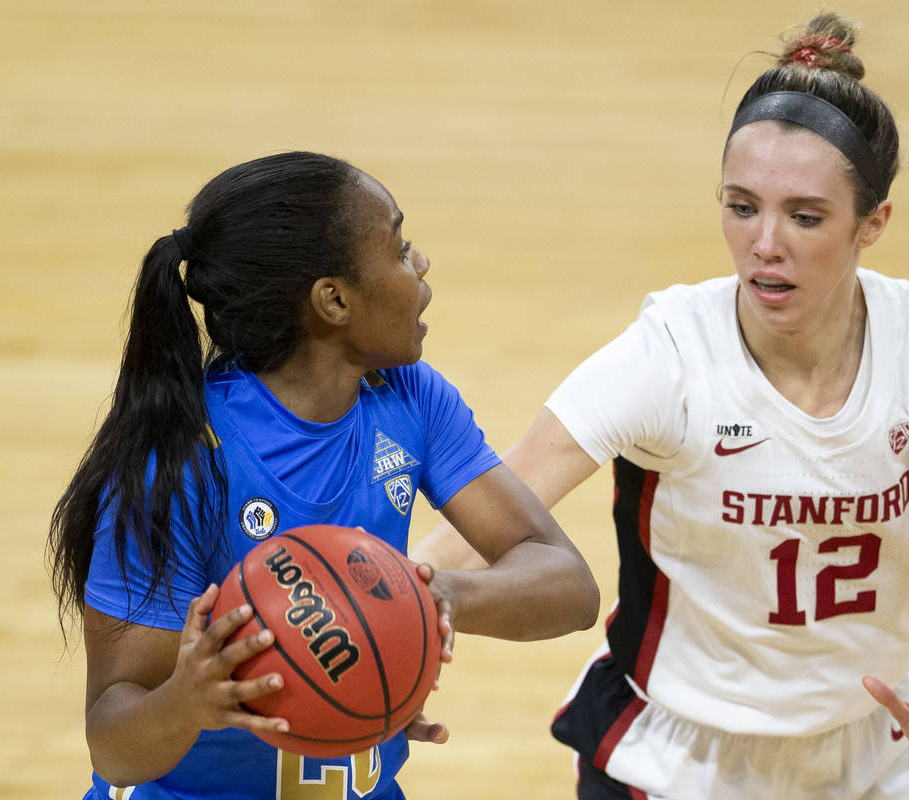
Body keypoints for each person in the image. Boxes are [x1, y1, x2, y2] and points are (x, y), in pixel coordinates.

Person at [412, 13, 909, 800]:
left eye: (805, 217)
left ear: (873, 223)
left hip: (882, 758)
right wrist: (382, 629)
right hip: (672, 763)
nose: (764, 243)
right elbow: (478, 526)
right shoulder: (667, 356)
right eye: (741, 205)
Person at [47, 151, 600, 800]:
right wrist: (188, 701)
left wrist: (425, 601)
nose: (420, 264)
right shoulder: (181, 462)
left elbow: (569, 585)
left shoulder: (410, 396)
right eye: (399, 246)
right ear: (333, 300)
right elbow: (113, 747)